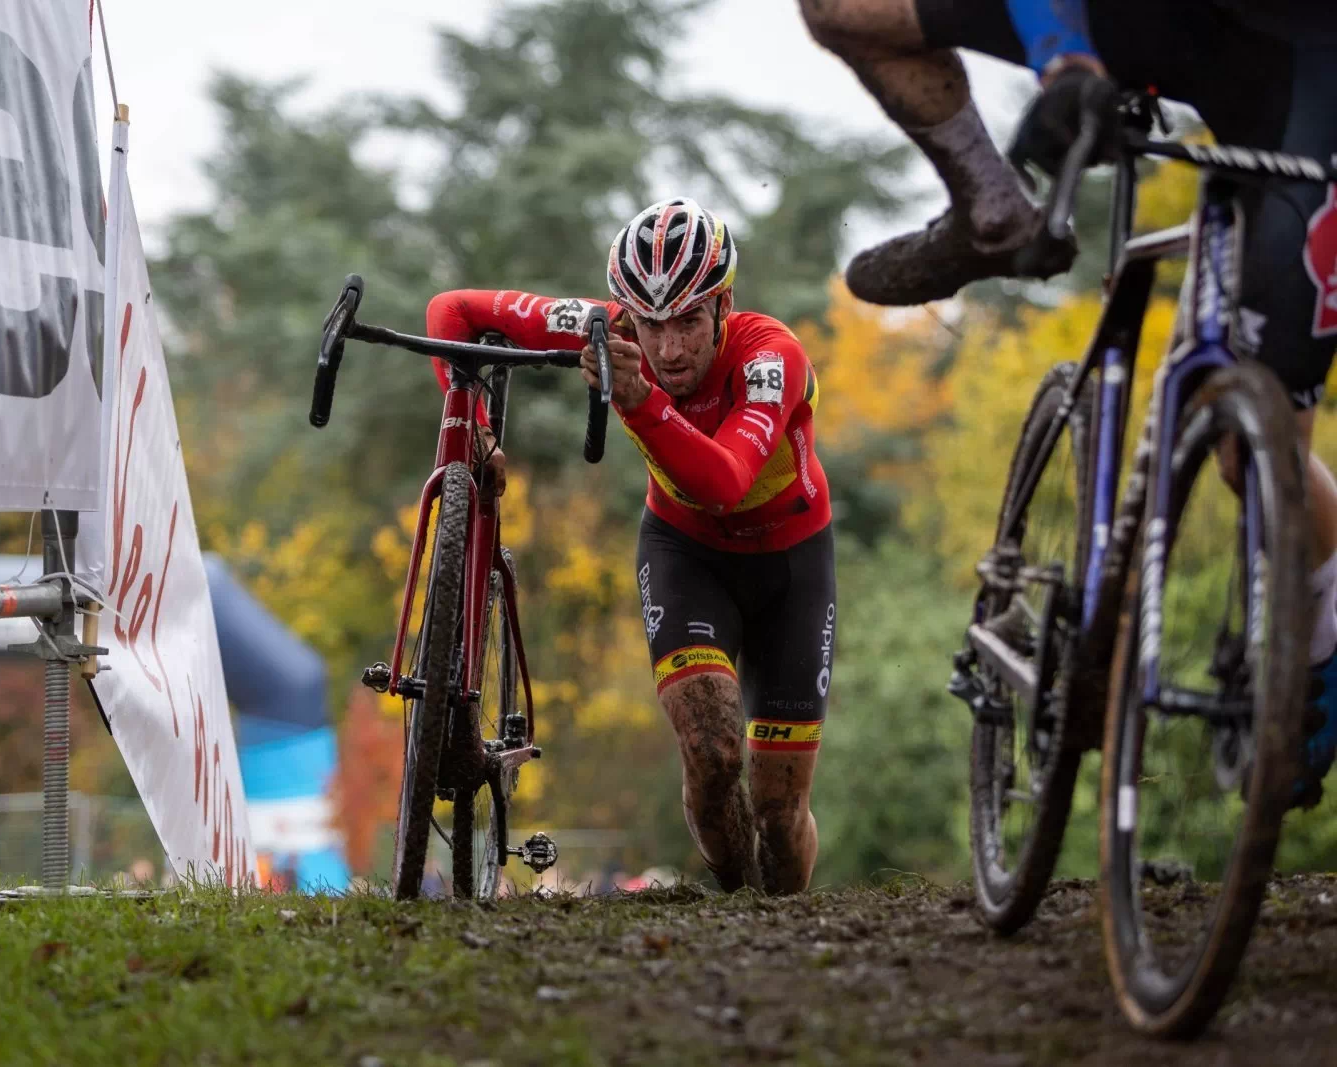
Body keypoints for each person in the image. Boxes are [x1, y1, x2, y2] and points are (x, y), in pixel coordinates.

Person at [794, 0, 1337, 803]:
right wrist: (1064, 59)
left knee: (1254, 453)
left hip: (1309, 60)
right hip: (1147, 20)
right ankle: (990, 210)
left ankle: (1322, 644)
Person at [426, 198, 834, 893]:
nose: (668, 348)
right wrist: (483, 429)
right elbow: (451, 312)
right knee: (710, 755)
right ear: (626, 314)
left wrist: (641, 398)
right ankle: (732, 906)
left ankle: (787, 927)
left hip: (789, 564)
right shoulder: (606, 334)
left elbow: (727, 482)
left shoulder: (772, 357)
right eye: (649, 324)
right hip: (685, 552)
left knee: (777, 808)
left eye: (687, 322)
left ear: (723, 304)